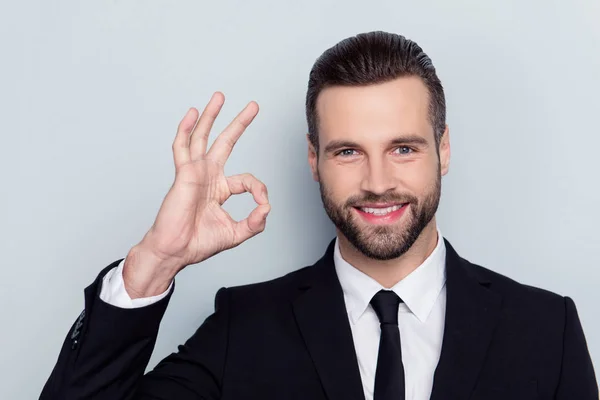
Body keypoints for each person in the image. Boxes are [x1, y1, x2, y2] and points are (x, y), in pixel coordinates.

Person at [40, 31, 597, 400]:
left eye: (403, 148)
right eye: (348, 151)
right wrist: (154, 264)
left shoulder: (547, 333)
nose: (378, 182)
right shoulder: (244, 327)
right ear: (314, 159)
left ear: (443, 149)